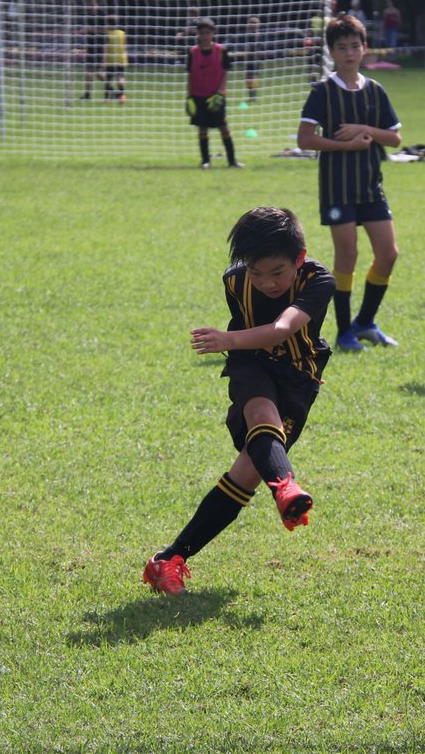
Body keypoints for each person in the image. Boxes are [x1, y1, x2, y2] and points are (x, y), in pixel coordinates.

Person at [142, 206, 334, 595]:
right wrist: (233, 346)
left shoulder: (319, 279)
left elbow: (282, 329)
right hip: (251, 364)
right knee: (263, 415)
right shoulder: (235, 281)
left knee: (247, 469)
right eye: (256, 272)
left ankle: (168, 560)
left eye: (277, 272)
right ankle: (284, 486)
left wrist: (226, 340)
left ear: (299, 258)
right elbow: (254, 331)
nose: (266, 283)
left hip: (298, 377)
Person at [297, 14, 402, 353]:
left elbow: (395, 138)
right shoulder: (322, 91)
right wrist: (345, 144)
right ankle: (344, 332)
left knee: (388, 254)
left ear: (365, 48)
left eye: (354, 46)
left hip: (371, 185)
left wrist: (361, 129)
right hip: (337, 187)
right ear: (331, 52)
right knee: (348, 255)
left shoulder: (375, 90)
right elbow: (304, 139)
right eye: (341, 48)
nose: (349, 53)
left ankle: (365, 322)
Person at [185, 18, 242, 168]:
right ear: (197, 34)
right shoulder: (193, 52)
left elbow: (225, 72)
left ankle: (232, 161)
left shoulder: (221, 51)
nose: (205, 36)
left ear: (213, 34)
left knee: (223, 127)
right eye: (202, 33)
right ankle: (205, 161)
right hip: (198, 95)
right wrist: (188, 96)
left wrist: (220, 92)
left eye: (208, 33)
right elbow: (190, 75)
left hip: (216, 96)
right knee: (202, 128)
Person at [103, 15, 128, 102]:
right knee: (120, 77)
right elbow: (124, 45)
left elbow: (105, 48)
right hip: (121, 58)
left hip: (111, 59)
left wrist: (104, 60)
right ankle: (122, 96)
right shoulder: (122, 33)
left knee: (108, 79)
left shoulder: (108, 34)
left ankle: (106, 99)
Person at [241, 15, 263, 104]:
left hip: (255, 59)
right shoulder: (249, 35)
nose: (251, 25)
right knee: (249, 77)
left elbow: (258, 48)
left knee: (252, 77)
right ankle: (252, 96)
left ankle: (253, 96)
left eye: (254, 23)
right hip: (250, 58)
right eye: (250, 23)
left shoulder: (257, 35)